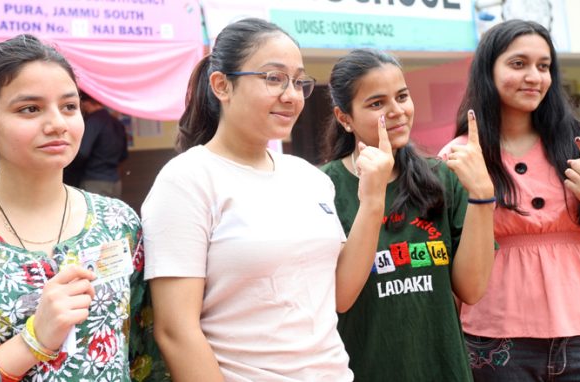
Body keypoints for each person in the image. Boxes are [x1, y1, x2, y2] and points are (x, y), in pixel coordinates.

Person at [142, 18, 393, 381]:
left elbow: (339, 295)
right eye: (273, 78)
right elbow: (175, 331)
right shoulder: (186, 180)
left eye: (298, 81)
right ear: (221, 85)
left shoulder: (309, 177)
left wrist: (372, 200)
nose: (291, 95)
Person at [0, 34, 166, 381]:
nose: (57, 123)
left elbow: (146, 361)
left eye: (69, 106)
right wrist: (33, 341)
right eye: (30, 108)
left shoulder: (118, 224)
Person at [440, 20, 580, 381]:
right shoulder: (460, 155)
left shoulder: (578, 143)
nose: (534, 76)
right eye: (518, 64)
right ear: (487, 70)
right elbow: (454, 265)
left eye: (544, 66)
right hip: (496, 337)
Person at [321, 48, 496, 381]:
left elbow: (472, 289)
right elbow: (337, 298)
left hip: (444, 370)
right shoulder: (321, 186)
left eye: (402, 96)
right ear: (344, 118)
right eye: (377, 104)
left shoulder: (443, 178)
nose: (397, 111)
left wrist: (482, 196)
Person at [63, 91, 128, 198]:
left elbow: (82, 153)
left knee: (93, 214)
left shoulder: (93, 121)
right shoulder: (117, 123)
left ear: (85, 103)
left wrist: (67, 167)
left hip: (94, 182)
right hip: (115, 182)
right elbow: (124, 155)